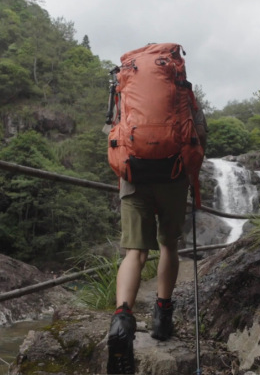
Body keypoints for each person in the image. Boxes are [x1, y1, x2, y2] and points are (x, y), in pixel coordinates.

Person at [106, 101, 208, 374]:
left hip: (134, 173)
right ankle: (162, 318)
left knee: (134, 252)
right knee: (169, 245)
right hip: (173, 175)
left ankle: (121, 321)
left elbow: (112, 130)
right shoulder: (182, 88)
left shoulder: (125, 88)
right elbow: (200, 133)